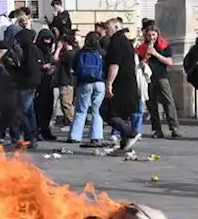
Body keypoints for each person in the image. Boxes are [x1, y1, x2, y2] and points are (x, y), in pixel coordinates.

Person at [103, 19, 141, 154]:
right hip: (128, 83)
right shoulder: (125, 41)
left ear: (116, 27)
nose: (106, 31)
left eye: (108, 28)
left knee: (107, 111)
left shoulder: (116, 42)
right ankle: (125, 145)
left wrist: (109, 84)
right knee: (122, 114)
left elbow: (115, 64)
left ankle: (131, 133)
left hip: (120, 84)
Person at [137, 25, 180, 139]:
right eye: (149, 35)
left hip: (161, 77)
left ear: (157, 35)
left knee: (168, 101)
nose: (152, 37)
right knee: (151, 105)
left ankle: (174, 128)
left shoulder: (164, 45)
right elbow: (139, 63)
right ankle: (157, 129)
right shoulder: (141, 48)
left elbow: (169, 62)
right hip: (148, 79)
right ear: (145, 36)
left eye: (154, 35)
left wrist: (155, 54)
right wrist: (142, 62)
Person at [69, 32, 107, 145]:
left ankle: (75, 136)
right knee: (97, 110)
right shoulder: (101, 52)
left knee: (81, 110)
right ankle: (96, 136)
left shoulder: (81, 52)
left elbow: (75, 67)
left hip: (85, 83)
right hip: (100, 82)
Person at [9, 26, 41, 148]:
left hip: (27, 84)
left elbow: (28, 69)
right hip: (32, 83)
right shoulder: (34, 48)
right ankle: (32, 136)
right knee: (29, 112)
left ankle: (26, 137)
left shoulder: (29, 50)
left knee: (21, 112)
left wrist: (15, 69)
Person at [54, 32, 77, 129]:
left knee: (66, 104)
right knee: (67, 103)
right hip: (70, 81)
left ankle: (72, 123)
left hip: (66, 81)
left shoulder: (68, 54)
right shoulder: (75, 53)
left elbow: (55, 59)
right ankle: (69, 122)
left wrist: (58, 48)